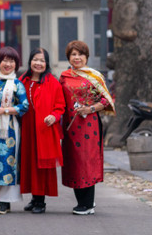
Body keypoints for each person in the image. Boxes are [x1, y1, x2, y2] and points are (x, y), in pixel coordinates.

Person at [60, 41, 115, 216]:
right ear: (68, 57)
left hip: (89, 125)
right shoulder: (64, 76)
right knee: (74, 161)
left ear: (86, 57)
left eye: (80, 54)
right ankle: (81, 202)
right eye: (73, 54)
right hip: (70, 125)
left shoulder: (94, 76)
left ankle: (88, 203)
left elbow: (106, 100)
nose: (77, 58)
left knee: (87, 161)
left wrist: (90, 109)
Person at [19, 47, 65, 214]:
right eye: (35, 60)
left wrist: (54, 116)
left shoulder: (52, 82)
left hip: (43, 129)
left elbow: (60, 106)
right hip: (26, 128)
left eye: (42, 60)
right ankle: (34, 197)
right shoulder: (22, 80)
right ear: (30, 61)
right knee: (28, 162)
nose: (38, 63)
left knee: (41, 165)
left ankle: (41, 201)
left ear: (47, 63)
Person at [0, 47, 29, 214]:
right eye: (5, 60)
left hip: (8, 130)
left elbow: (24, 106)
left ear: (16, 64)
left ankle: (6, 201)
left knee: (6, 163)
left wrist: (5, 110)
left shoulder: (17, 84)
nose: (8, 64)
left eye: (12, 61)